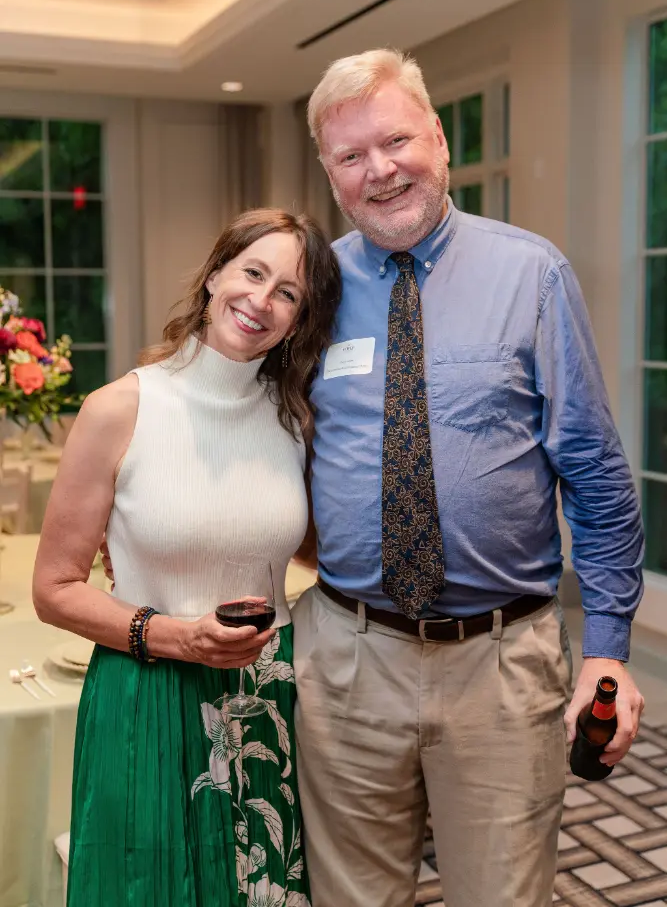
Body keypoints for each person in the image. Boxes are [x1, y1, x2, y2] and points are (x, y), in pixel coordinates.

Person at [291, 49, 646, 907]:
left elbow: (595, 473)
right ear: (330, 175)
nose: (380, 170)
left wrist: (607, 650)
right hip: (346, 658)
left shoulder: (532, 273)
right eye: (350, 156)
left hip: (499, 661)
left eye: (395, 141)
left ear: (438, 141)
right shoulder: (312, 287)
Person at [32, 208, 341, 907]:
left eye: (287, 292)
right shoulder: (119, 410)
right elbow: (53, 588)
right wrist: (176, 636)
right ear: (214, 277)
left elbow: (324, 552)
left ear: (299, 319)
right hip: (147, 693)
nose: (261, 301)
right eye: (252, 273)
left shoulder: (296, 420)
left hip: (267, 701)